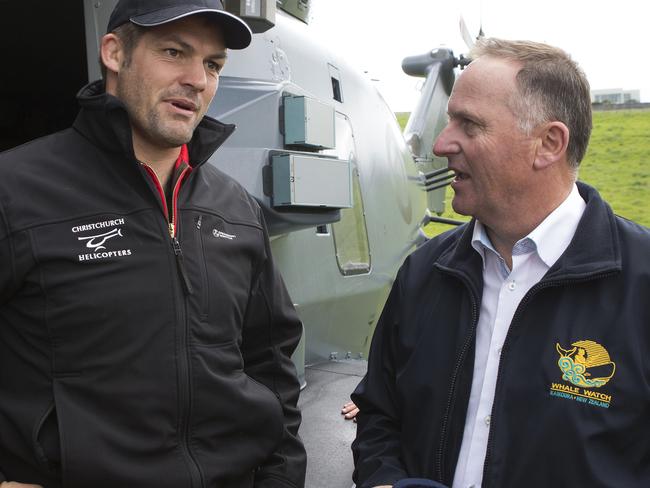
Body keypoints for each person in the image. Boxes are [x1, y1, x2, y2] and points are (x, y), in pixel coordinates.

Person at [0, 1, 306, 487]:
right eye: (173, 52)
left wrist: (281, 478)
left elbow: (271, 363)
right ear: (115, 53)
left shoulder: (237, 210)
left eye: (212, 64)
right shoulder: (16, 191)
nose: (197, 80)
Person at [351, 37, 650, 488]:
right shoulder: (425, 272)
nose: (441, 143)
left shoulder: (641, 283)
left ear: (548, 143)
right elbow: (379, 413)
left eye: (469, 125)